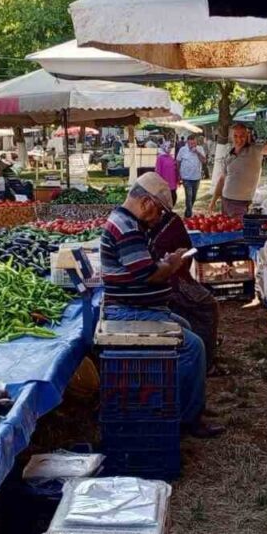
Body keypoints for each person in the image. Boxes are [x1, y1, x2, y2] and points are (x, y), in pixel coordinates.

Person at [100, 173, 222, 438]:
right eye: (159, 210)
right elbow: (149, 275)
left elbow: (142, 267)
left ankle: (185, 402)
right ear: (146, 202)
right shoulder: (127, 227)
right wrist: (171, 265)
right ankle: (185, 417)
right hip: (128, 312)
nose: (158, 217)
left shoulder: (127, 222)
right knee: (192, 346)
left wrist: (164, 262)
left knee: (187, 327)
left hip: (134, 307)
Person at [148, 208, 221, 375]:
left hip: (162, 279)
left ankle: (199, 358)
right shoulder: (167, 222)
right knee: (207, 306)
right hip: (167, 281)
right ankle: (204, 364)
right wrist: (173, 264)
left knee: (188, 315)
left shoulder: (164, 222)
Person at [209, 121, 267, 216]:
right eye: (236, 136)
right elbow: (222, 179)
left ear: (247, 135)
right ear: (231, 137)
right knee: (228, 228)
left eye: (242, 135)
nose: (239, 139)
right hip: (226, 200)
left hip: (242, 202)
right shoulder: (229, 154)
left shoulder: (255, 149)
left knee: (239, 228)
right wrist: (213, 200)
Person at [175, 134, 207, 217]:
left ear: (196, 142)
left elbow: (204, 161)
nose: (192, 145)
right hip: (186, 177)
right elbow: (178, 161)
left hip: (196, 177)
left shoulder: (200, 149)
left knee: (193, 197)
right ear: (187, 142)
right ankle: (189, 215)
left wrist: (197, 152)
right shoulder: (183, 149)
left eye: (194, 143)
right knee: (189, 196)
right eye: (190, 144)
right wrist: (179, 173)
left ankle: (187, 211)